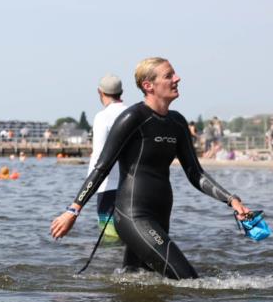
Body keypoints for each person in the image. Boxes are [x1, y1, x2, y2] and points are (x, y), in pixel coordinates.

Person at [50, 57, 252, 279]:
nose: (177, 78)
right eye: (169, 75)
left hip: (161, 215)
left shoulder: (177, 123)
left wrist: (231, 200)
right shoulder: (133, 118)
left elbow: (195, 173)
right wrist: (73, 210)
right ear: (148, 85)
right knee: (188, 280)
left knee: (134, 282)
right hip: (133, 215)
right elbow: (102, 167)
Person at [86, 74, 127, 239]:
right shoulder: (133, 112)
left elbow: (99, 153)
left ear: (99, 92)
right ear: (121, 92)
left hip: (107, 185)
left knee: (110, 237)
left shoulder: (102, 117)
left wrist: (89, 184)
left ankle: (110, 265)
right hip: (132, 185)